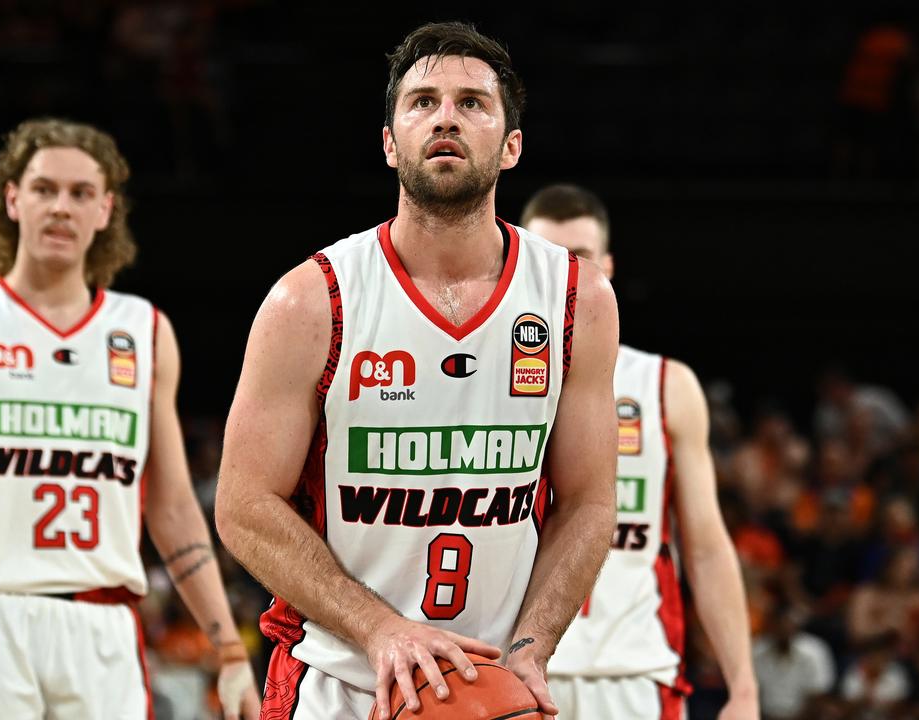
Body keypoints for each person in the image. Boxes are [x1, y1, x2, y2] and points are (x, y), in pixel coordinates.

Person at [216, 23, 619, 720]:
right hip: (340, 681)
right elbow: (244, 507)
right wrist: (381, 630)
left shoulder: (577, 299)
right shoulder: (311, 300)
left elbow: (588, 501)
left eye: (472, 103)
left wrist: (532, 645)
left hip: (495, 683)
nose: (445, 117)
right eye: (423, 101)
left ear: (512, 144)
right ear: (388, 141)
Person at [0, 118, 258, 720]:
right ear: (12, 199)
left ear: (106, 210)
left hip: (105, 625)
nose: (61, 207)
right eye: (43, 189)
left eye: (81, 193)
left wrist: (228, 650)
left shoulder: (145, 333)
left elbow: (171, 507)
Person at [522, 184, 757, 719]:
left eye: (579, 257)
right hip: (515, 671)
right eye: (547, 257)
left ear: (607, 265)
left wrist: (743, 686)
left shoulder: (666, 384)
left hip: (636, 674)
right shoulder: (485, 378)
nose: (565, 273)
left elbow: (705, 546)